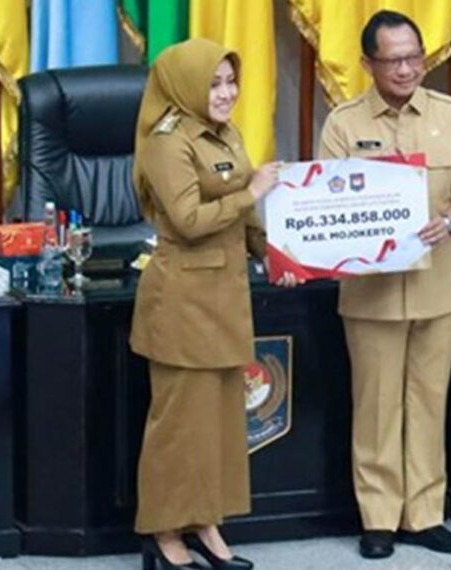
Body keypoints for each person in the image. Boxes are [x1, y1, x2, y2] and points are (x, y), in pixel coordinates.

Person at [316, 10, 451, 560]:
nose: (406, 69)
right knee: (375, 408)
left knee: (428, 403)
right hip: (370, 292)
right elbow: (327, 201)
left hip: (438, 285)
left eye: (414, 57)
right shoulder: (344, 123)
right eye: (393, 60)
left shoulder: (450, 113)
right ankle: (378, 518)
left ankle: (424, 514)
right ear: (369, 64)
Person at [131, 38, 297, 570]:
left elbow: (242, 219)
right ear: (184, 87)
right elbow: (189, 220)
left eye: (230, 81)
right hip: (182, 299)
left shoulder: (225, 133)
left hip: (226, 296)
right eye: (214, 83)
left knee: (219, 424)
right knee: (179, 425)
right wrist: (253, 192)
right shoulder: (168, 140)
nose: (226, 93)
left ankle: (205, 523)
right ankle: (162, 534)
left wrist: (274, 254)